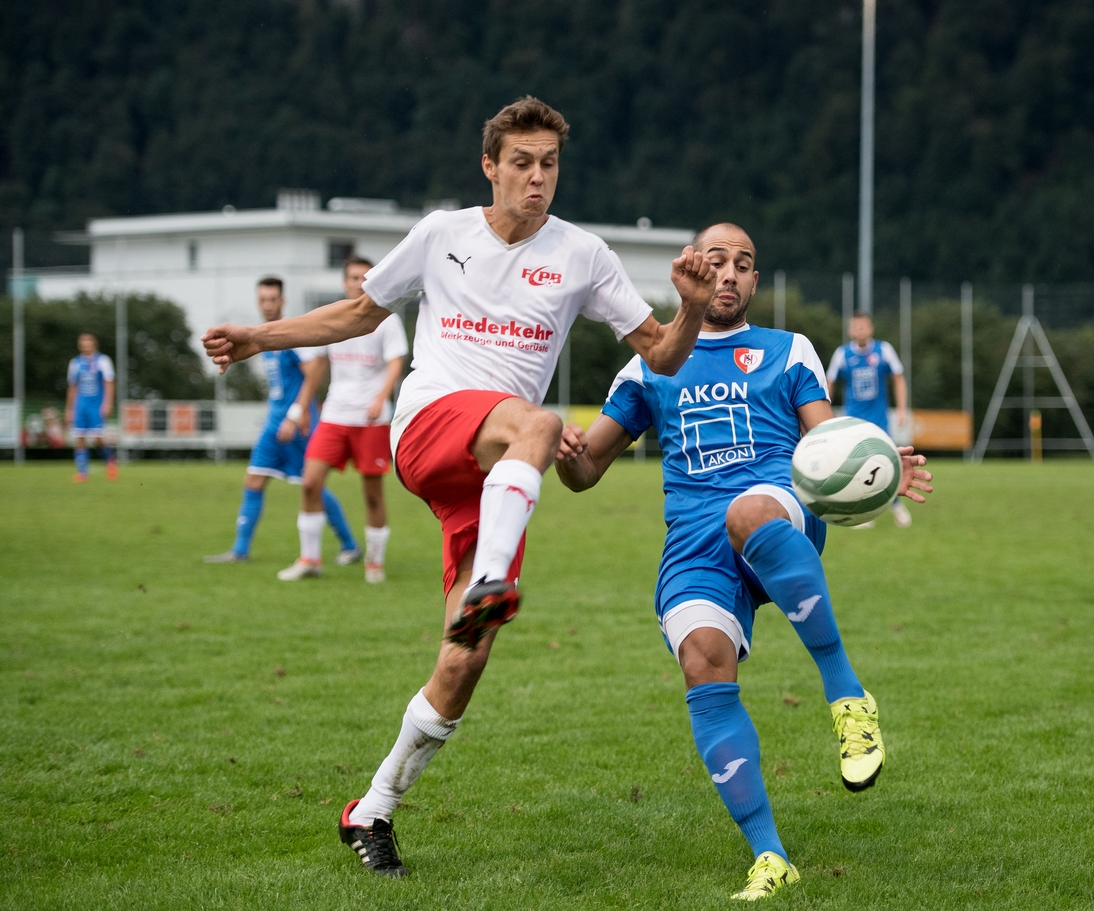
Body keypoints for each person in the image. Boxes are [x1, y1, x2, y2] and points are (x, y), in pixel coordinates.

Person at [200, 96, 715, 877]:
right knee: (541, 422)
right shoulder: (442, 234)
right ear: (489, 166)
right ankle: (494, 580)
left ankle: (371, 807)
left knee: (463, 658)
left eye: (549, 164)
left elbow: (663, 354)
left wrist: (693, 308)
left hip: (494, 474)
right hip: (430, 427)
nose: (537, 177)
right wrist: (255, 337)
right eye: (522, 163)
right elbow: (359, 313)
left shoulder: (583, 254)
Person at [555, 224, 932, 901]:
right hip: (692, 540)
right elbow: (585, 473)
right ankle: (770, 856)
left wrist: (876, 467)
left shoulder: (789, 350)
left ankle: (848, 698)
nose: (728, 273)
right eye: (716, 261)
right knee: (702, 658)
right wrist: (565, 452)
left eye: (743, 264)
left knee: (747, 512)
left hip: (778, 506)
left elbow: (827, 439)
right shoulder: (647, 365)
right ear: (690, 270)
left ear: (755, 282)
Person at [204, 277, 359, 564]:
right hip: (273, 423)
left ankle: (349, 544)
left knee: (311, 485)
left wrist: (296, 413)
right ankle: (240, 550)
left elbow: (316, 369)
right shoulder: (265, 339)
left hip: (296, 425)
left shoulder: (291, 335)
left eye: (273, 299)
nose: (268, 305)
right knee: (254, 479)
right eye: (263, 300)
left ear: (282, 302)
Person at [277, 256, 409, 583]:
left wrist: (380, 398)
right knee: (310, 483)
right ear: (344, 282)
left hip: (371, 420)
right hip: (335, 415)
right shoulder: (335, 316)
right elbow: (318, 366)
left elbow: (396, 363)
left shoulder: (386, 319)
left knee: (373, 494)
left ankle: (374, 563)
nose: (359, 283)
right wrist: (300, 409)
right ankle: (310, 559)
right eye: (353, 277)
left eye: (365, 277)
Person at [826, 312, 911, 527]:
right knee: (856, 466)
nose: (860, 330)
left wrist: (902, 409)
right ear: (850, 330)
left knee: (887, 463)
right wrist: (825, 412)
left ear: (871, 328)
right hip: (853, 421)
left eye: (864, 326)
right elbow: (829, 382)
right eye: (856, 326)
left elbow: (898, 379)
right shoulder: (842, 354)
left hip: (879, 420)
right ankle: (864, 512)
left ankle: (896, 505)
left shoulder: (884, 350)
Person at [65, 333, 117, 482]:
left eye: (88, 344)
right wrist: (69, 409)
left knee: (98, 438)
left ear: (94, 345)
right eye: (83, 344)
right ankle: (82, 473)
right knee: (79, 437)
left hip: (96, 406)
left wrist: (107, 403)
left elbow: (109, 383)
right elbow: (72, 387)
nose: (85, 347)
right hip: (80, 405)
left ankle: (109, 460)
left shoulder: (103, 361)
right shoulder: (75, 363)